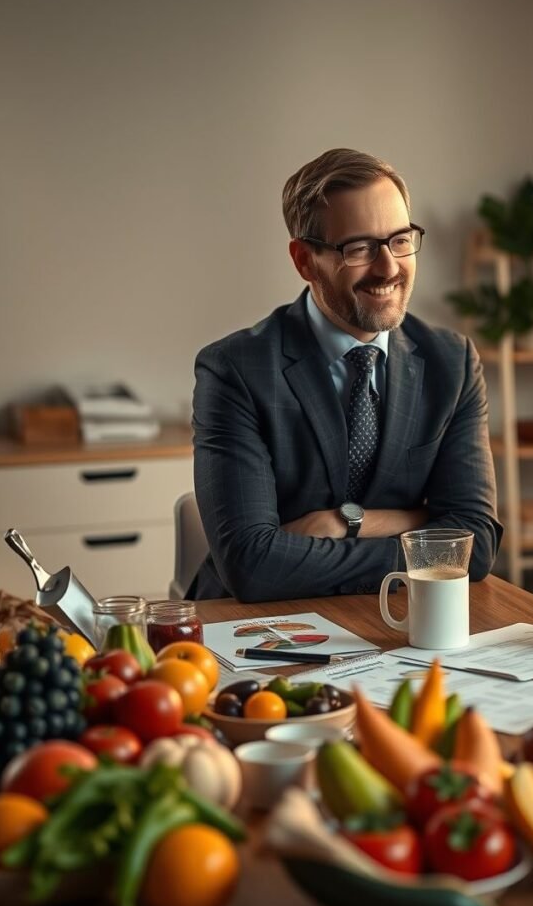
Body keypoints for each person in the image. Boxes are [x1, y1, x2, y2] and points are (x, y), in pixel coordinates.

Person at [189, 148, 502, 601]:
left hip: (398, 624)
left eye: (399, 240)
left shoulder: (451, 362)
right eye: (359, 248)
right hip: (250, 632)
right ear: (304, 260)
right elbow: (251, 564)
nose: (389, 267)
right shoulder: (235, 370)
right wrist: (419, 523)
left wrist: (344, 523)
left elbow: (475, 544)